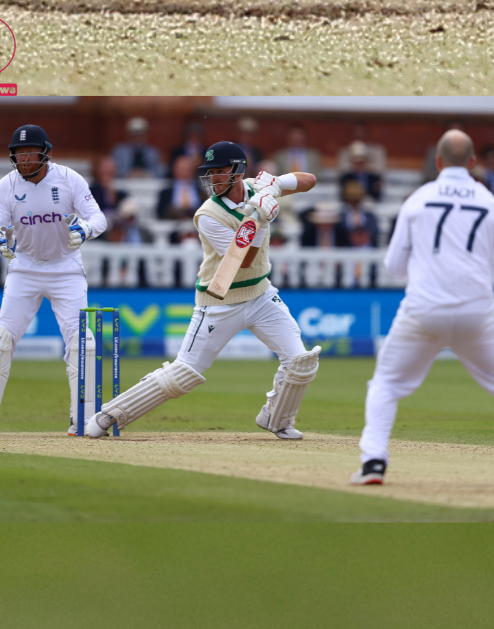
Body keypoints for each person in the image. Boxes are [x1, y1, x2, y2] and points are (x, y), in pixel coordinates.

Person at [351, 130, 494, 487]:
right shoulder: (491, 203)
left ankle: (374, 462)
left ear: (437, 162)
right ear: (472, 163)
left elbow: (393, 267)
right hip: (476, 313)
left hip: (424, 310)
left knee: (386, 384)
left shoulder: (417, 200)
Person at [87, 141, 320, 441]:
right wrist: (261, 219)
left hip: (261, 294)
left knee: (300, 361)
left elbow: (309, 180)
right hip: (219, 303)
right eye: (210, 172)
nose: (212, 178)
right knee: (184, 374)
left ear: (237, 172)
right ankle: (109, 414)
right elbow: (243, 259)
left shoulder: (254, 189)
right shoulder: (208, 215)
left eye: (220, 171)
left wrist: (274, 186)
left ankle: (278, 419)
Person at [0, 124, 107, 437]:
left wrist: (84, 231)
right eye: (19, 153)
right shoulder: (5, 185)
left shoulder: (70, 179)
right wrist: (0, 243)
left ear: (45, 153)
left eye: (30, 152)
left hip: (66, 270)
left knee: (81, 342)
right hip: (24, 269)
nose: (25, 159)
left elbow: (99, 218)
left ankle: (82, 419)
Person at [156, 155, 204, 220]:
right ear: (174, 170)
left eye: (189, 170)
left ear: (193, 171)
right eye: (182, 170)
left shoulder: (201, 192)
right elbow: (160, 213)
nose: (185, 173)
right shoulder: (165, 193)